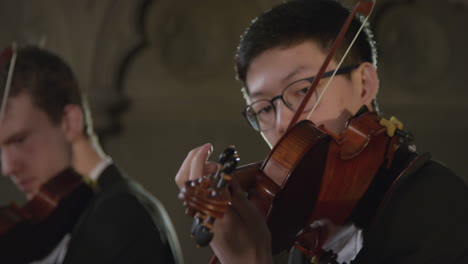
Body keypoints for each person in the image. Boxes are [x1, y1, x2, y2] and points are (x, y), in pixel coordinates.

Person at [175, 0, 468, 263]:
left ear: (364, 83)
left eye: (304, 90)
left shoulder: (436, 203)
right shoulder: (310, 232)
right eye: (264, 108)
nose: (282, 122)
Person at [0, 46, 183, 263]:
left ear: (70, 122)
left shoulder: (122, 214)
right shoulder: (70, 217)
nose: (7, 167)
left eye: (20, 140)